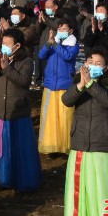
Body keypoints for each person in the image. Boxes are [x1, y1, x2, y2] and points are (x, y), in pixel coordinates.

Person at [61, 48, 108, 216]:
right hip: (80, 143)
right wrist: (81, 84)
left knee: (102, 191)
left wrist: (90, 84)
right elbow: (66, 100)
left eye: (98, 63)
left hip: (102, 143)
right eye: (90, 61)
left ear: (105, 68)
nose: (93, 65)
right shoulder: (77, 82)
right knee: (81, 191)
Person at [0, 29, 41, 192]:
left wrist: (6, 69)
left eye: (7, 44)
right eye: (2, 43)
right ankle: (3, 177)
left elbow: (23, 81)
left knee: (18, 147)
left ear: (17, 45)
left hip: (17, 111)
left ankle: (21, 177)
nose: (3, 47)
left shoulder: (26, 61)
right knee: (1, 147)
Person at [37, 19, 80, 155]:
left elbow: (67, 56)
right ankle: (51, 145)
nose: (60, 32)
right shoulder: (54, 43)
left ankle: (65, 145)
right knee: (50, 117)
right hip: (50, 84)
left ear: (71, 31)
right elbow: (41, 55)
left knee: (65, 117)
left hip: (65, 85)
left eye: (63, 29)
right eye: (59, 29)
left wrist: (55, 44)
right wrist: (49, 43)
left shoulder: (73, 45)